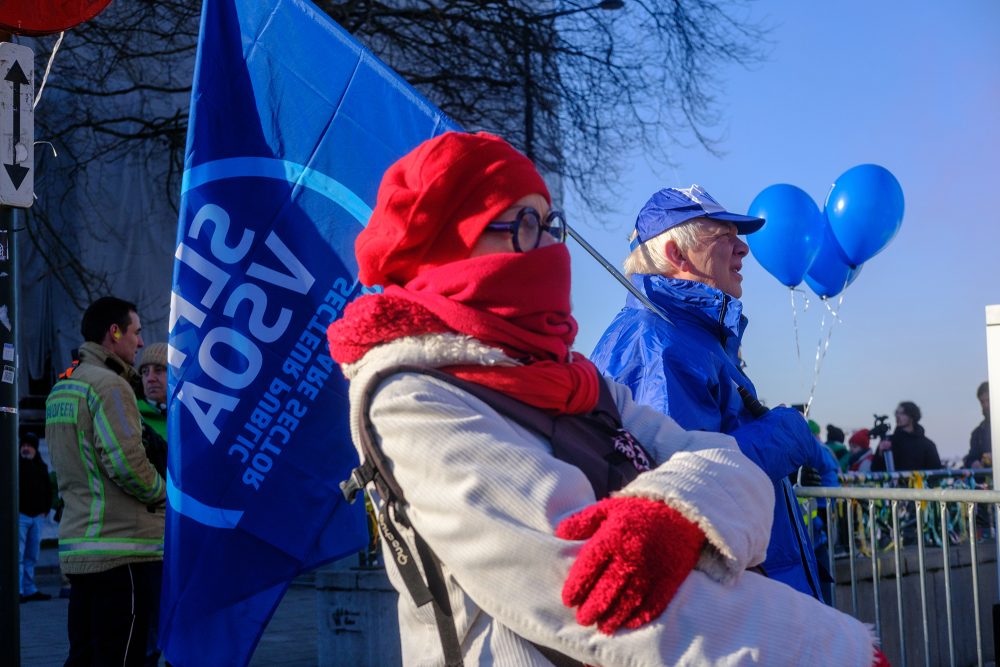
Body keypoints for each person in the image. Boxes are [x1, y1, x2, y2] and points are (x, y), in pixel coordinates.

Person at [326, 132, 883, 666]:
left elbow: (726, 466)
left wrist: (673, 512)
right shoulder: (412, 399)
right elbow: (590, 597)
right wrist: (825, 647)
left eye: (551, 224)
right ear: (453, 244)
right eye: (525, 224)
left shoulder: (569, 375)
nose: (548, 246)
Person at [589, 185, 840, 603]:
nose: (743, 249)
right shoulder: (660, 343)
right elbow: (683, 480)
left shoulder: (687, 336)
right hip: (731, 605)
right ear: (677, 255)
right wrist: (787, 433)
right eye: (725, 237)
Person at [46, 296, 166, 667]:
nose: (141, 342)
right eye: (136, 331)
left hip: (81, 550)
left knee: (83, 656)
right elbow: (126, 462)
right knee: (123, 658)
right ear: (114, 333)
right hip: (123, 551)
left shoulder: (64, 387)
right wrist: (162, 494)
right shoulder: (110, 387)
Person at [18, 431, 53, 603]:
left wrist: (45, 509)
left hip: (37, 518)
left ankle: (29, 589)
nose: (25, 449)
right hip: (20, 517)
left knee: (32, 555)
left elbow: (48, 490)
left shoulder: (42, 467)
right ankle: (18, 590)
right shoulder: (15, 466)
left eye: (29, 446)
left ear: (35, 448)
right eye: (23, 445)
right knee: (17, 555)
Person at [872, 401, 942, 472]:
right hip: (893, 483)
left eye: (902, 413)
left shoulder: (927, 444)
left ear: (912, 416)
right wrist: (880, 453)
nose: (898, 416)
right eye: (897, 413)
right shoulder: (888, 441)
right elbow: (875, 470)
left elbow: (936, 473)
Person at [137, 342, 168, 478]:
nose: (150, 378)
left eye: (159, 370)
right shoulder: (134, 418)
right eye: (145, 372)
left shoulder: (194, 417)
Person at [964, 382, 990, 468]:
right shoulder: (977, 434)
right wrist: (973, 463)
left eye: (988, 400)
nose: (985, 405)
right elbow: (971, 458)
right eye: (982, 402)